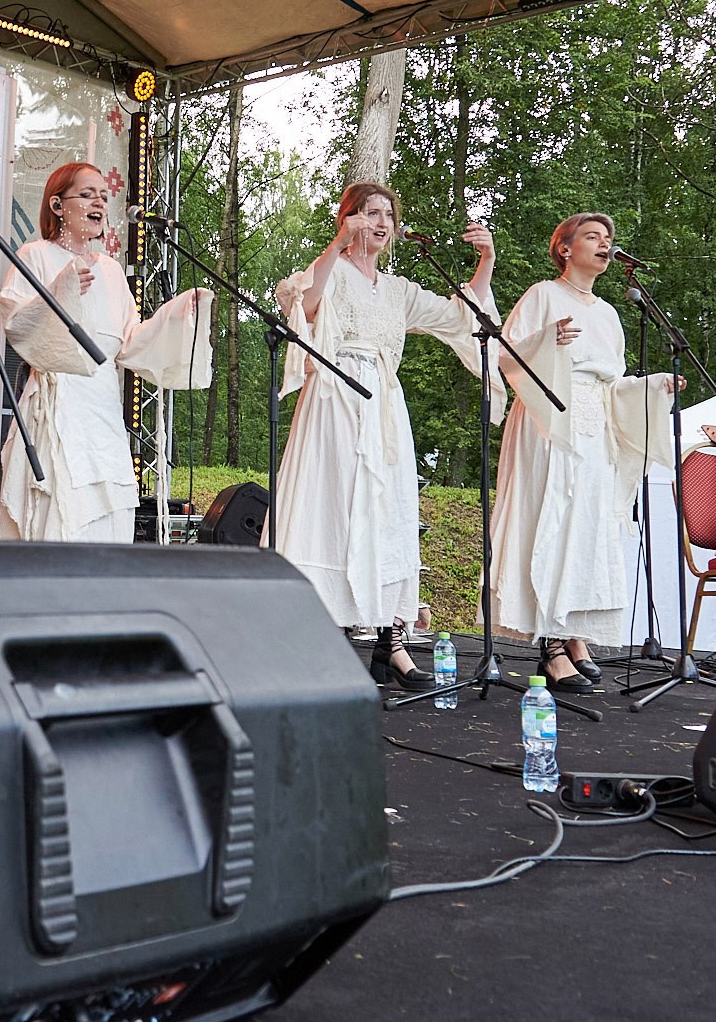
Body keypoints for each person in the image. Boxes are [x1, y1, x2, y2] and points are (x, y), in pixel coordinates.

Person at [270, 182, 499, 689]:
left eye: (388, 216)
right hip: (334, 394)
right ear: (348, 218)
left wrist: (485, 262)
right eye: (370, 213)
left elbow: (460, 316)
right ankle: (318, 637)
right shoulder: (331, 267)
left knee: (390, 512)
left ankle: (390, 643)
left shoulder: (398, 290)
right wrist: (334, 246)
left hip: (384, 404)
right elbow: (304, 304)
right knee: (330, 508)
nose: (380, 222)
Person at [490, 212, 679, 692]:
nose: (604, 244)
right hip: (549, 418)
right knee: (550, 521)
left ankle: (575, 634)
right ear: (565, 248)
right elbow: (504, 355)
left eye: (608, 239)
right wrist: (545, 341)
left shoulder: (610, 314)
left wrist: (654, 388)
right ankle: (549, 644)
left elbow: (613, 384)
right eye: (592, 237)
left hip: (595, 425)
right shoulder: (542, 295)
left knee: (587, 529)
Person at [0, 162, 212, 542]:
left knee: (108, 518)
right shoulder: (36, 255)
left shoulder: (112, 271)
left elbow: (130, 342)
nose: (99, 201)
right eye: (86, 193)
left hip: (102, 414)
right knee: (59, 519)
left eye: (102, 194)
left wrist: (177, 317)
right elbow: (16, 322)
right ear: (58, 206)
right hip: (56, 405)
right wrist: (59, 291)